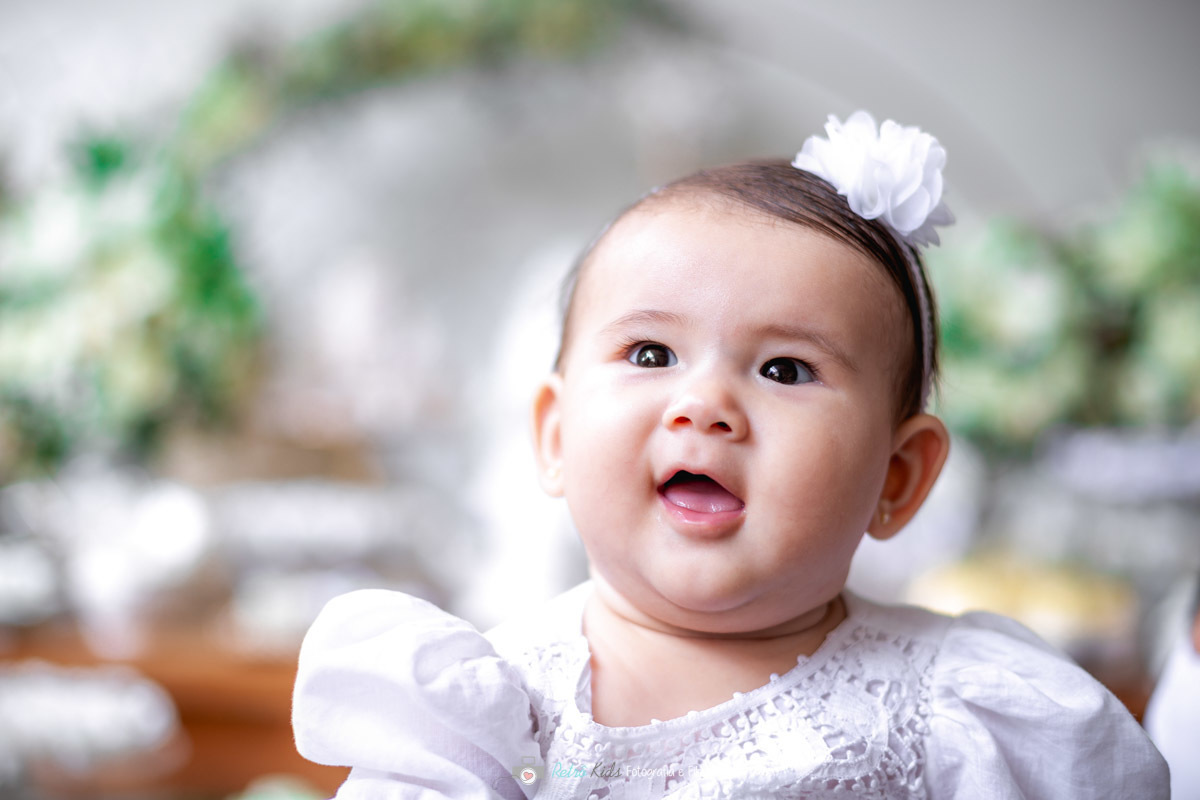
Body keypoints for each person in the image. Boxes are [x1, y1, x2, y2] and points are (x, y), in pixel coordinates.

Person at [291, 111, 1169, 798]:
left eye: (786, 369)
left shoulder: (964, 713)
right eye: (650, 355)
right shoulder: (484, 708)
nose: (706, 405)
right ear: (556, 438)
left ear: (896, 480)